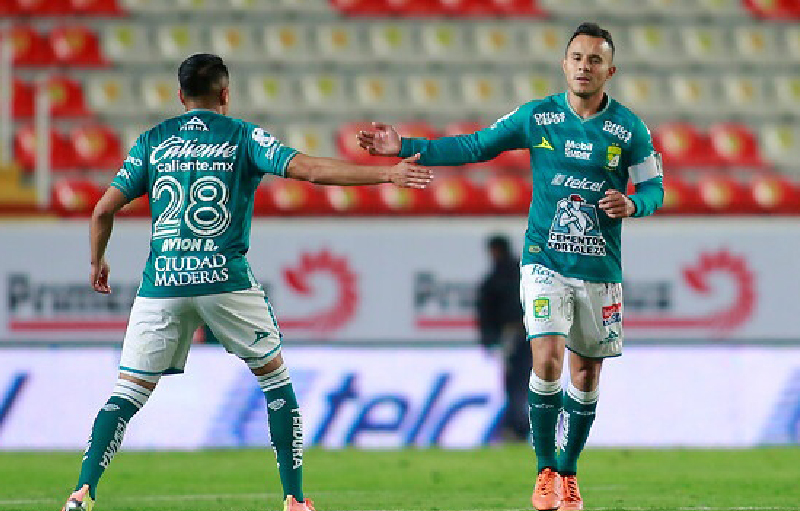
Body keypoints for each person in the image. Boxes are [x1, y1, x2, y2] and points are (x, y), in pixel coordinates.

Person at [61, 53, 431, 511]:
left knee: (127, 393)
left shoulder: (153, 141)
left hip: (163, 283)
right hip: (225, 280)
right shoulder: (242, 136)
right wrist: (388, 174)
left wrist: (97, 261)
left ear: (180, 97)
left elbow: (102, 210)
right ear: (225, 93)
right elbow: (311, 171)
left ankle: (82, 491)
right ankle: (294, 500)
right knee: (276, 383)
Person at [357, 22, 663, 511]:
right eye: (577, 58)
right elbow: (477, 145)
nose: (584, 67)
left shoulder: (629, 129)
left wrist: (634, 204)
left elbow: (655, 188)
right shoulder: (538, 117)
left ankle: (568, 471)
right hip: (545, 262)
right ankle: (544, 471)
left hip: (600, 271)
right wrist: (408, 145)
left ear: (610, 70)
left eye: (595, 60)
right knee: (546, 359)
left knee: (585, 377)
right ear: (565, 65)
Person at [476, 234, 531, 442]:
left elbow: (486, 313)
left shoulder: (494, 279)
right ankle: (522, 425)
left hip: (511, 336)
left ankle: (516, 427)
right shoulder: (526, 273)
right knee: (527, 381)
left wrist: (488, 340)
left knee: (512, 383)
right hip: (534, 334)